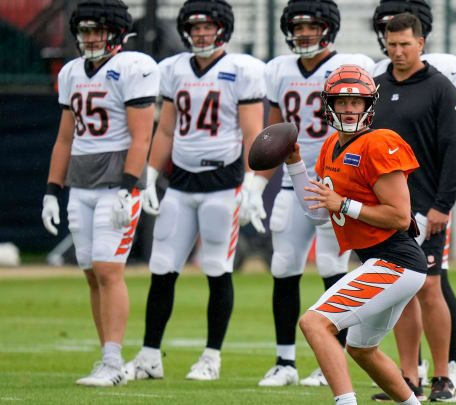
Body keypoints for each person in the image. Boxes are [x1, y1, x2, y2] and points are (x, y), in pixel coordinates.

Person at [122, 0, 266, 381]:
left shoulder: (241, 70)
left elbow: (253, 132)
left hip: (223, 183)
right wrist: (150, 174)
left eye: (209, 27)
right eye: (196, 27)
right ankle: (150, 354)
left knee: (217, 269)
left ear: (223, 29)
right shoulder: (173, 69)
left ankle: (211, 357)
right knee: (162, 267)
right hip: (182, 183)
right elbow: (167, 129)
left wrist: (252, 181)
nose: (201, 33)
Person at [288, 63, 426, 405]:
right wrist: (293, 164)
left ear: (369, 105)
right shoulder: (330, 145)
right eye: (342, 102)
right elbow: (319, 211)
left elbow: (399, 216)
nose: (349, 109)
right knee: (362, 350)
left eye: (356, 102)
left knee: (315, 324)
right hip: (381, 260)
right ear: (329, 104)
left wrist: (345, 204)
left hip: (396, 260)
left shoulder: (380, 142)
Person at [255, 0, 376, 387]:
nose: (304, 33)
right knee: (284, 266)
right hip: (293, 183)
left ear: (330, 28)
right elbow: (273, 134)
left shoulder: (348, 67)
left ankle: (331, 361)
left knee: (331, 268)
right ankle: (284, 361)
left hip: (333, 185)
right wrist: (256, 181)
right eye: (298, 26)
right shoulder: (277, 70)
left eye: (313, 26)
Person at [40, 0, 158, 387]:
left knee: (109, 270)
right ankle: (107, 358)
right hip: (81, 183)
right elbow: (64, 137)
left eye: (98, 31)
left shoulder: (132, 67)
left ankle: (114, 362)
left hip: (115, 184)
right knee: (92, 273)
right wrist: (51, 191)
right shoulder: (72, 71)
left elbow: (142, 136)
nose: (90, 38)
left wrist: (128, 187)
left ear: (116, 34)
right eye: (85, 31)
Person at [371, 0, 456, 395]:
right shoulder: (376, 87)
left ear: (421, 43)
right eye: (392, 44)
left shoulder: (440, 88)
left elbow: (455, 150)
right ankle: (408, 377)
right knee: (399, 289)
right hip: (386, 211)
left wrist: (442, 206)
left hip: (427, 208)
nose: (397, 51)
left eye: (405, 44)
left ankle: (444, 376)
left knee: (430, 287)